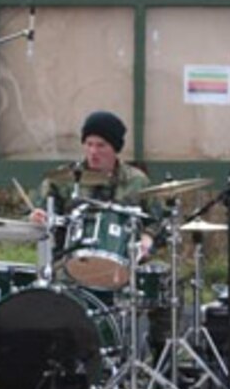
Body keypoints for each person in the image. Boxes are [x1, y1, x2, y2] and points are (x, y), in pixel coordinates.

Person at [29, 111, 164, 352]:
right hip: (72, 261)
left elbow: (159, 220)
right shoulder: (63, 179)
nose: (93, 151)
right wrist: (38, 217)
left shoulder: (137, 182)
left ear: (115, 148)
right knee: (50, 294)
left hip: (126, 262)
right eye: (89, 144)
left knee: (167, 283)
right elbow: (36, 212)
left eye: (101, 145)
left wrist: (149, 237)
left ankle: (162, 359)